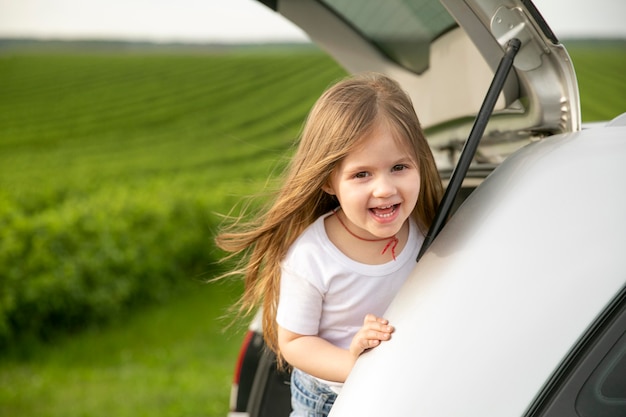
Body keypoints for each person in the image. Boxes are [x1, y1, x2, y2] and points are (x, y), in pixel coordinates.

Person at [216, 72, 442, 416]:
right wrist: (353, 362)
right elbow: (294, 343)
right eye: (361, 174)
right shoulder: (312, 257)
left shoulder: (426, 226)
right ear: (328, 181)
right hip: (328, 399)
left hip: (397, 386)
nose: (384, 188)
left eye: (399, 167)